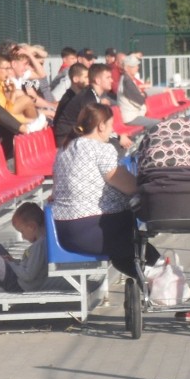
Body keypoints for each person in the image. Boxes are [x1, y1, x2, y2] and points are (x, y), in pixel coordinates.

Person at [51, 103, 159, 279]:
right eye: (110, 125)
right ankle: (177, 292)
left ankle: (161, 292)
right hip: (92, 230)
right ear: (101, 126)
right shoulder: (101, 149)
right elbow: (130, 186)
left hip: (64, 231)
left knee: (127, 256)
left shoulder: (64, 149)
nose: (112, 130)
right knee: (143, 249)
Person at [53, 63, 131, 152]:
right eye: (108, 77)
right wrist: (119, 137)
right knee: (115, 148)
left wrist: (118, 136)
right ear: (97, 80)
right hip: (67, 140)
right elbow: (95, 128)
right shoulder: (89, 99)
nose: (112, 80)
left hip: (77, 136)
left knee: (117, 144)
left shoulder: (92, 95)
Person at [0, 53, 47, 132]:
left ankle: (33, 123)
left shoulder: (0, 80)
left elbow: (5, 106)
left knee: (20, 94)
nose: (8, 72)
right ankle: (32, 124)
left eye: (9, 68)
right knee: (26, 100)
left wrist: (12, 94)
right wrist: (26, 121)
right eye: (6, 68)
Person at [118, 54, 158, 128]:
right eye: (134, 66)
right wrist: (144, 94)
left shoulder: (127, 79)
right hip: (131, 118)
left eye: (137, 65)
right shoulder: (127, 82)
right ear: (126, 68)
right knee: (159, 124)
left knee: (158, 122)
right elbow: (140, 100)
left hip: (134, 115)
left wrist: (142, 94)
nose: (137, 67)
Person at [51, 63, 89, 134]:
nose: (89, 80)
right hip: (66, 139)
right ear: (75, 79)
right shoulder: (70, 99)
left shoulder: (76, 96)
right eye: (86, 77)